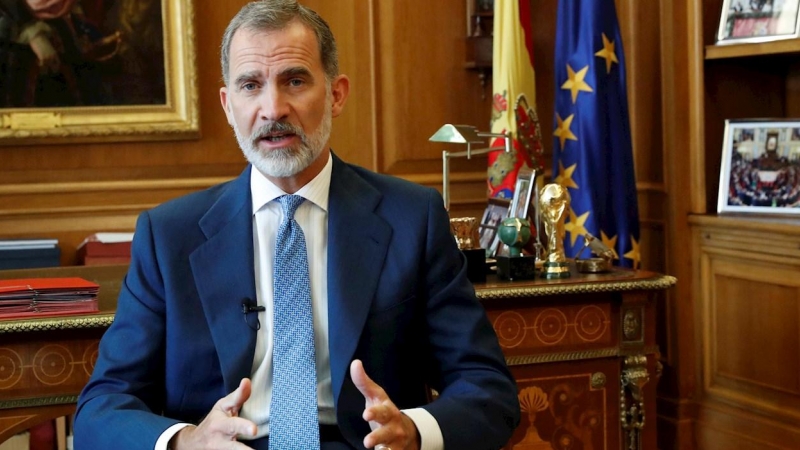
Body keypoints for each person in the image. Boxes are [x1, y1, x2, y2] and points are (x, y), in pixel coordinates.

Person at [73, 1, 520, 449]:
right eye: (251, 85)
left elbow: (487, 388)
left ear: (336, 94)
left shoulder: (412, 218)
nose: (273, 108)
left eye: (295, 80)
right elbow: (103, 406)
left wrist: (414, 431)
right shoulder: (169, 235)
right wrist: (185, 441)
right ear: (229, 105)